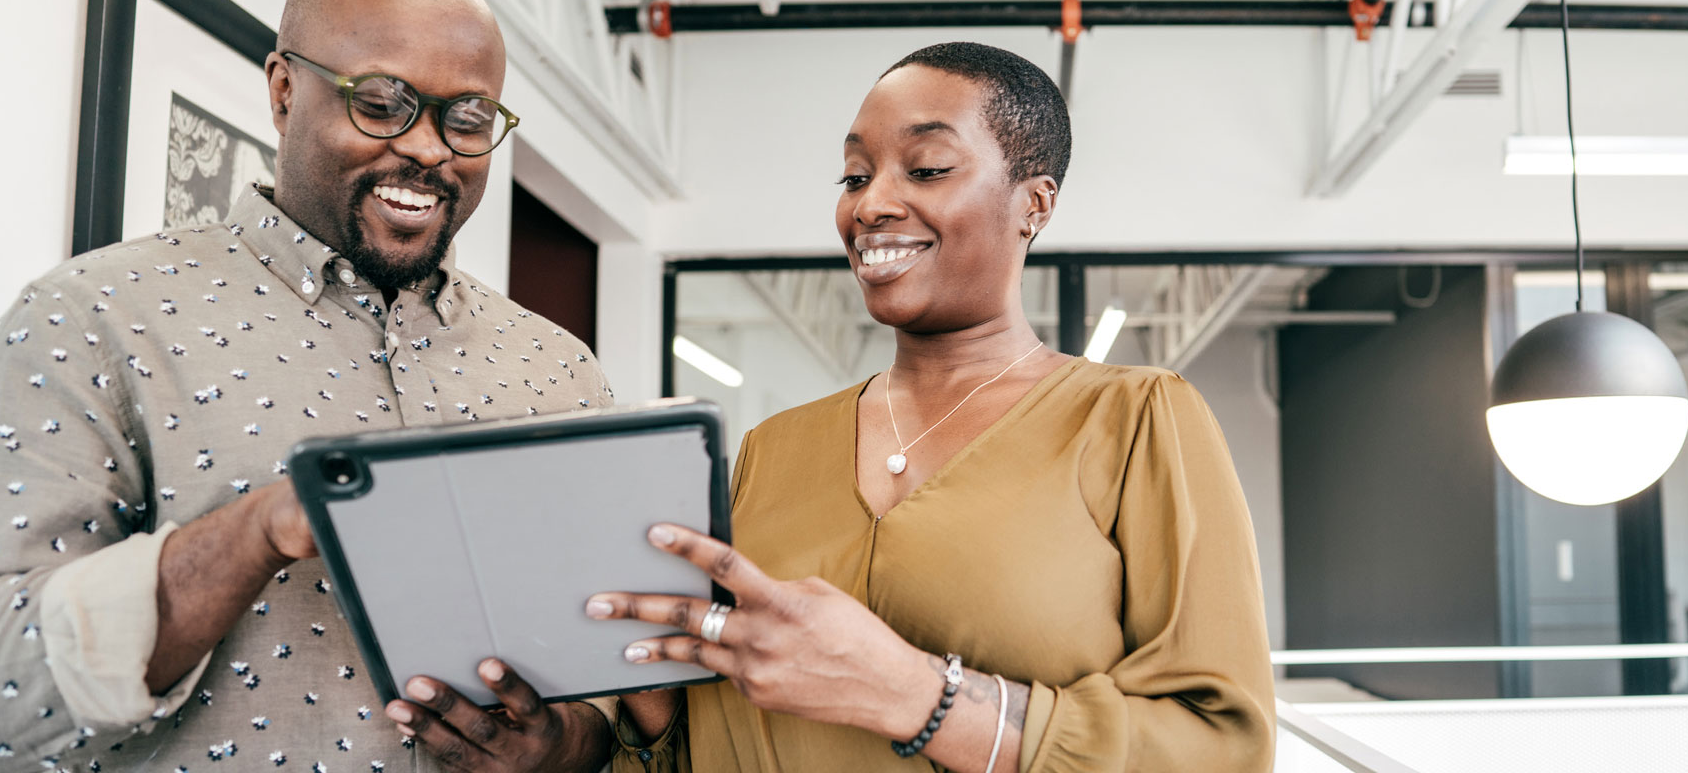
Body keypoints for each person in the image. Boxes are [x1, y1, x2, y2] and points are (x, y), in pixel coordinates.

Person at [394, 42, 1277, 772]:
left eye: (926, 166)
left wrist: (917, 695)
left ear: (1034, 203)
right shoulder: (773, 449)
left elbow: (1221, 747)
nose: (872, 205)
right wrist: (623, 731)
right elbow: (721, 748)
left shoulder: (1135, 422)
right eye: (855, 176)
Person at [0, 0, 619, 770]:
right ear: (283, 90)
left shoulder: (559, 369)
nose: (428, 148)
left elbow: (603, 679)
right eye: (381, 102)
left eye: (467, 118)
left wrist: (567, 747)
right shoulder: (94, 315)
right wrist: (254, 531)